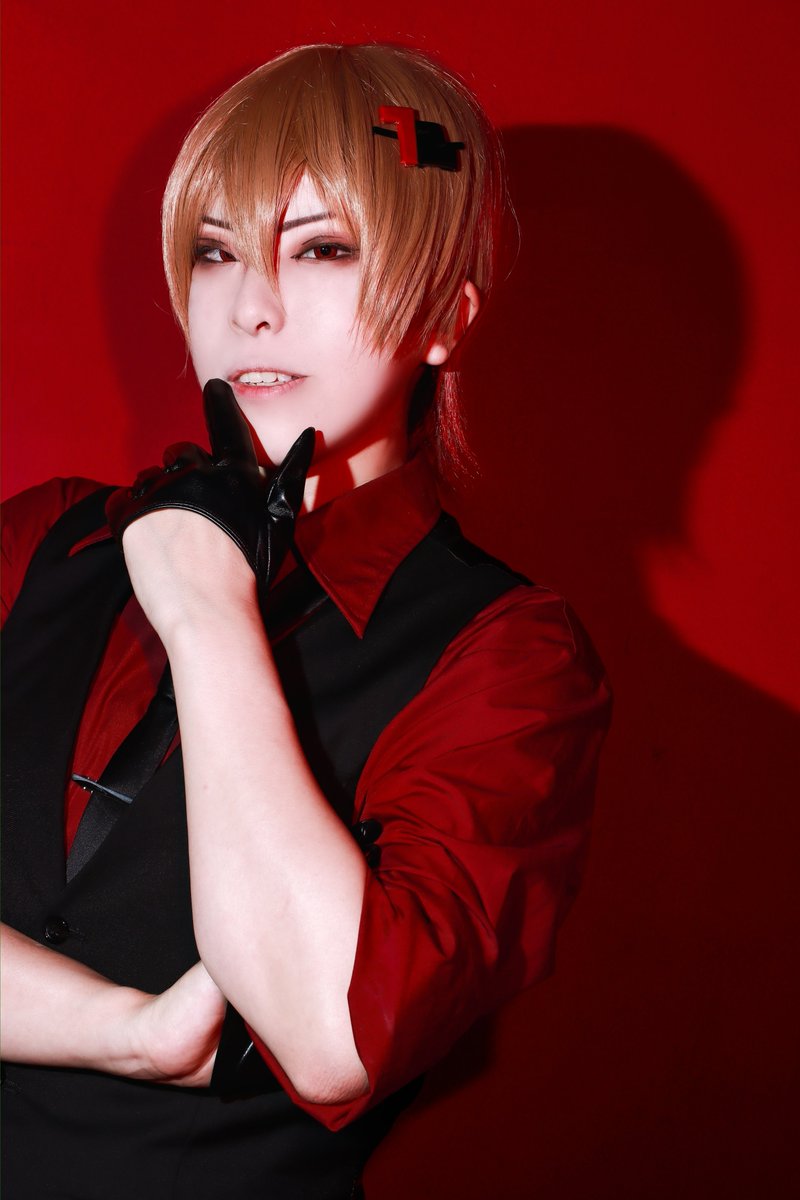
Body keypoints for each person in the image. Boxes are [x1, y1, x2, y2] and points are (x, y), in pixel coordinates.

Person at [1, 43, 611, 1199]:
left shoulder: (506, 658)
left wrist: (207, 613)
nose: (252, 305)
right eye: (216, 250)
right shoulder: (46, 540)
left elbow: (333, 1034)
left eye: (322, 249)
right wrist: (119, 1031)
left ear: (443, 315)